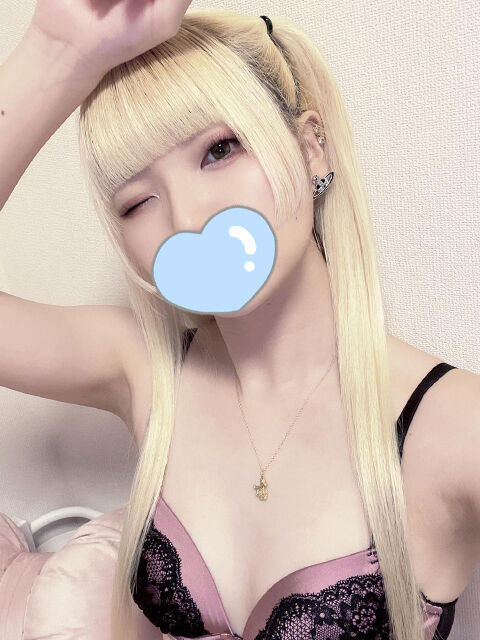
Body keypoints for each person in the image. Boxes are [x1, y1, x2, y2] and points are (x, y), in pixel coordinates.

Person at [0, 3, 478, 640]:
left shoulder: (451, 426)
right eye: (138, 201)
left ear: (311, 149)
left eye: (219, 150)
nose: (188, 217)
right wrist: (54, 50)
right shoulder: (144, 368)